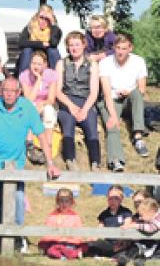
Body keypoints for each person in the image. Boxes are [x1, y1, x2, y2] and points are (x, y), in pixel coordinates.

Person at [0, 77, 61, 252]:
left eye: (12, 91)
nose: (8, 94)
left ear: (19, 92)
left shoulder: (27, 107)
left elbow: (42, 136)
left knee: (17, 202)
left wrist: (50, 163)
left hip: (16, 165)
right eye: (5, 90)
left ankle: (16, 240)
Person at [98, 33, 149, 171]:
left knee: (137, 93)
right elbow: (107, 93)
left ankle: (138, 136)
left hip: (130, 98)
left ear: (130, 48)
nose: (120, 52)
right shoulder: (105, 63)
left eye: (124, 48)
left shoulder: (138, 61)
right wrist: (114, 116)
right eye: (118, 48)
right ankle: (116, 159)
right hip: (112, 99)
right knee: (111, 125)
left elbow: (142, 88)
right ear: (114, 47)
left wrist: (129, 92)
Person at [54, 31, 101, 171]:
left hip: (86, 101)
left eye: (77, 44)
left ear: (83, 45)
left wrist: (85, 109)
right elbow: (58, 90)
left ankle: (95, 162)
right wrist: (71, 107)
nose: (74, 48)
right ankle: (70, 160)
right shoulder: (61, 63)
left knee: (91, 127)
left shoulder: (92, 64)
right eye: (71, 45)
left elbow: (94, 92)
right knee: (68, 125)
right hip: (67, 100)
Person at [19, 50, 58, 164]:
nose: (35, 66)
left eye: (39, 64)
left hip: (45, 104)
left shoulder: (51, 74)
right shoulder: (24, 75)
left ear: (45, 65)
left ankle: (48, 145)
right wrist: (38, 80)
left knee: (49, 110)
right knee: (29, 107)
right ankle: (29, 145)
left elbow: (51, 99)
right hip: (31, 105)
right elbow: (28, 99)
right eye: (33, 63)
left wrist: (42, 104)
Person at [37, 188, 86, 260]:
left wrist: (68, 239)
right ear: (57, 202)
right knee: (51, 249)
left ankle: (72, 253)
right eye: (61, 201)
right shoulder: (53, 215)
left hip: (70, 244)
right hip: (55, 243)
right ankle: (62, 256)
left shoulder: (75, 217)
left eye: (67, 201)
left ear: (71, 202)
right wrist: (58, 238)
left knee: (82, 246)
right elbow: (47, 233)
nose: (64, 204)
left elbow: (79, 236)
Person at [87, 184, 133, 258]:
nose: (113, 201)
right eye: (110, 198)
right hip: (109, 243)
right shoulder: (104, 214)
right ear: (107, 198)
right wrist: (93, 238)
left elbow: (127, 227)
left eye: (116, 198)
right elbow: (99, 229)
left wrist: (121, 242)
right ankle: (97, 254)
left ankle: (117, 256)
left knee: (125, 251)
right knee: (91, 244)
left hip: (121, 243)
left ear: (121, 199)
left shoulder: (126, 212)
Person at [16, 5, 61, 77]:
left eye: (47, 19)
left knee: (53, 50)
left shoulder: (55, 29)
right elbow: (21, 43)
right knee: (27, 50)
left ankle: (57, 79)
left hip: (47, 57)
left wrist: (53, 24)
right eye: (41, 18)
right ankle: (23, 81)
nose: (43, 21)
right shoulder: (30, 27)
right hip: (30, 57)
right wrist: (41, 44)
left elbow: (54, 43)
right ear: (37, 17)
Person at [120, 197, 160, 266]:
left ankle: (140, 262)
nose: (140, 217)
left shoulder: (158, 218)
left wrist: (135, 225)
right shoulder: (150, 217)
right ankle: (125, 258)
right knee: (135, 247)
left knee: (148, 254)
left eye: (142, 215)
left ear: (151, 212)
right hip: (145, 241)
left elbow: (151, 228)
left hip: (154, 244)